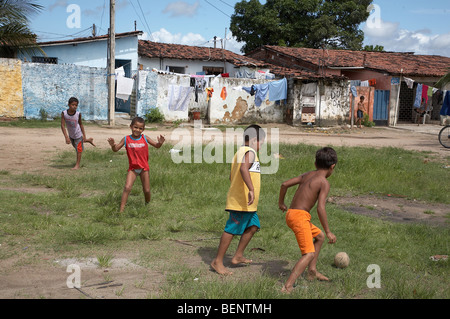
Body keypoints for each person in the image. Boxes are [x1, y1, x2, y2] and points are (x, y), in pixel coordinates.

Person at [278, 147, 338, 293]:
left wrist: (281, 203)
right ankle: (287, 287)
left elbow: (284, 184)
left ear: (315, 163)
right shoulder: (324, 182)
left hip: (292, 214)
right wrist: (329, 231)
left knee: (319, 237)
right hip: (300, 217)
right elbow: (320, 208)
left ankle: (312, 271)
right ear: (332, 167)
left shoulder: (307, 174)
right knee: (308, 253)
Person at [210, 125, 266, 276]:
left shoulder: (240, 152)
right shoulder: (250, 152)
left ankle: (238, 256)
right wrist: (251, 189)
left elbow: (232, 176)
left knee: (253, 226)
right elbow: (243, 169)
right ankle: (218, 261)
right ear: (255, 140)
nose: (261, 146)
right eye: (261, 142)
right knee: (231, 229)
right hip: (242, 202)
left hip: (247, 204)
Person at [107, 117, 165, 213]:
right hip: (133, 168)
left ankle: (147, 205)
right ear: (131, 127)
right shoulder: (126, 139)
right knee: (127, 188)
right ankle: (121, 211)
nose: (137, 130)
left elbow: (156, 146)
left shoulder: (145, 138)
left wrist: (160, 143)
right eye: (135, 127)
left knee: (146, 190)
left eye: (140, 128)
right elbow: (116, 149)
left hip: (144, 168)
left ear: (143, 129)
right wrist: (113, 145)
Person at [61, 97, 95, 170]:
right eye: (73, 105)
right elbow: (62, 126)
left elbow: (81, 124)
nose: (74, 106)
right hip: (71, 135)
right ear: (69, 105)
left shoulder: (78, 114)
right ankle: (88, 140)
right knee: (76, 147)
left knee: (79, 150)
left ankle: (77, 165)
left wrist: (84, 136)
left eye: (76, 105)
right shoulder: (64, 113)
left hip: (78, 134)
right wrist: (66, 137)